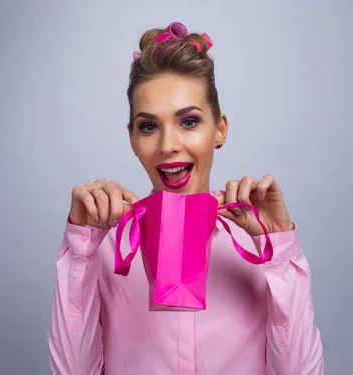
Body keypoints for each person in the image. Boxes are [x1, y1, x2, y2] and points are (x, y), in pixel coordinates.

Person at [47, 22, 324, 375]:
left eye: (189, 122)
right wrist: (80, 250)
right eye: (148, 126)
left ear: (219, 129)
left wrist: (281, 247)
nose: (168, 145)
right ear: (132, 138)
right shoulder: (107, 249)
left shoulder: (258, 248)